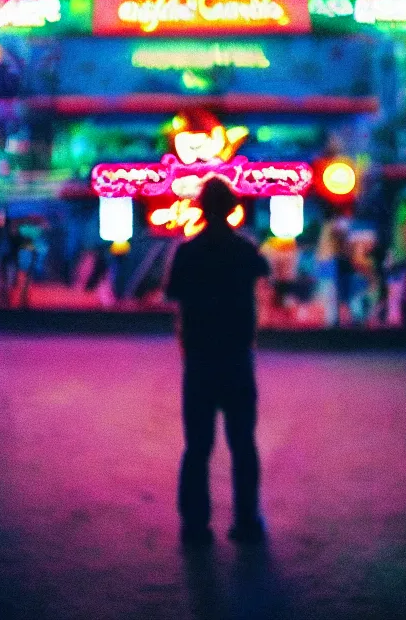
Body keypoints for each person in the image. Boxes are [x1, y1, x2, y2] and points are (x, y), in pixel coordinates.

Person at [166, 177, 270, 546]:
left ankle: (194, 524)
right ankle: (246, 519)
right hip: (237, 357)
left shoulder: (186, 253)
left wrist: (187, 348)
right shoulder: (245, 251)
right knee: (242, 442)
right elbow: (259, 296)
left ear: (200, 209)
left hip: (200, 359)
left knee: (197, 445)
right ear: (232, 208)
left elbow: (177, 304)